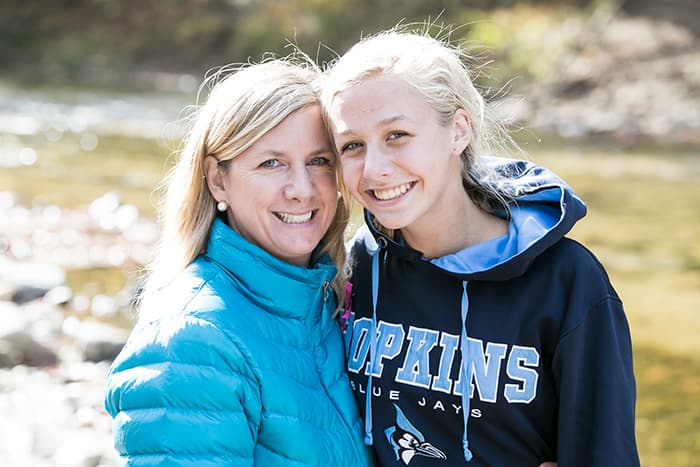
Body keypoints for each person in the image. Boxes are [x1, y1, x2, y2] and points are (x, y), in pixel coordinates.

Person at [321, 29, 640, 466]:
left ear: (458, 131)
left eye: (397, 135)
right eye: (352, 145)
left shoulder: (567, 281)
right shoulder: (357, 266)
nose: (374, 169)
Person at [104, 59, 374, 466]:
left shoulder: (324, 304)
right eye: (271, 163)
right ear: (218, 180)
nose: (302, 189)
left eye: (319, 161)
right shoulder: (191, 341)